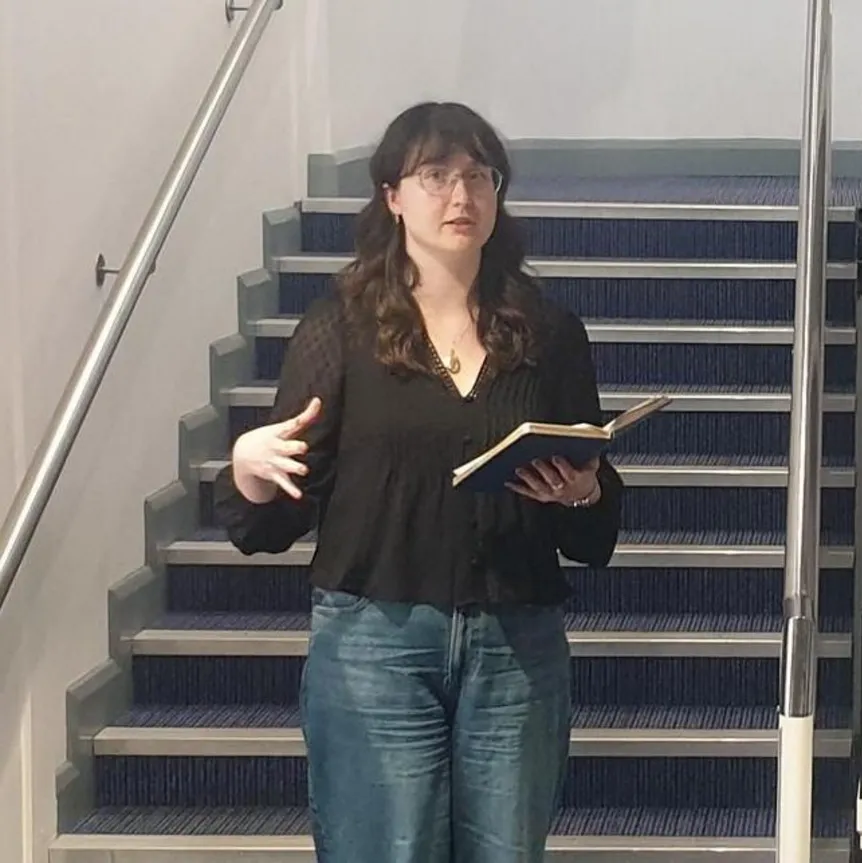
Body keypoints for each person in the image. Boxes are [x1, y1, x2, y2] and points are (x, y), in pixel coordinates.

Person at [213, 101, 625, 863]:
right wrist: (251, 472)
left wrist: (584, 493)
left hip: (517, 642)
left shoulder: (549, 330)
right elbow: (265, 522)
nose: (460, 195)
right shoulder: (342, 326)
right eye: (435, 174)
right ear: (392, 197)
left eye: (479, 175)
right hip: (376, 641)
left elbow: (595, 522)